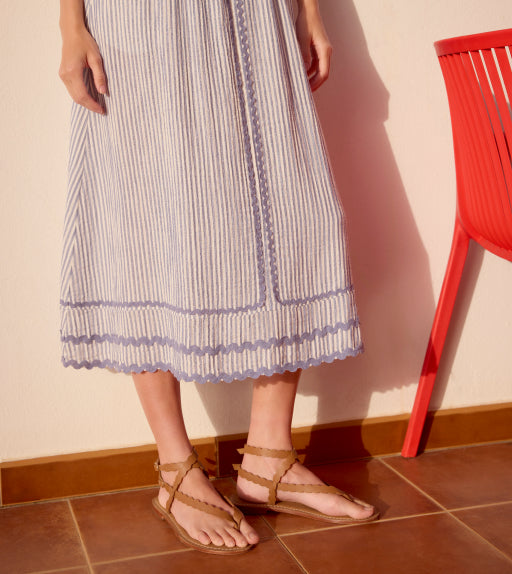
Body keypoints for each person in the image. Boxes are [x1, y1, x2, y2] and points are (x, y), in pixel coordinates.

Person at [58, 0, 379, 555]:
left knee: (291, 209)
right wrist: (70, 23)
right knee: (148, 215)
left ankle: (268, 459)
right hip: (143, 21)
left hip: (259, 14)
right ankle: (176, 470)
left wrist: (310, 10)